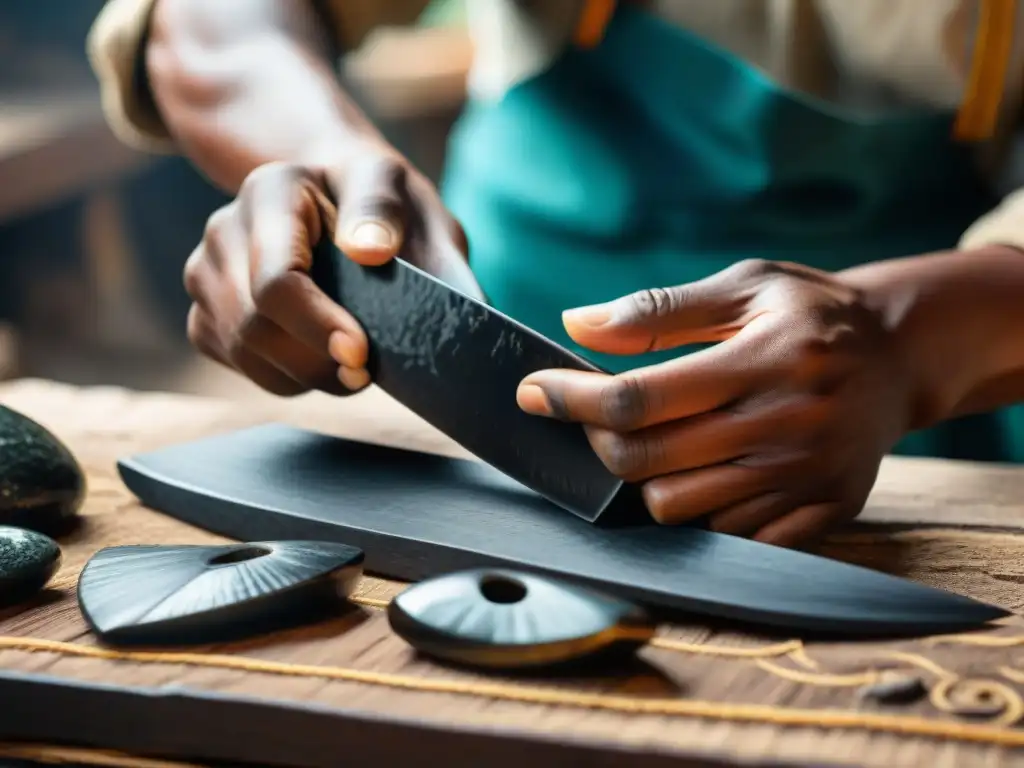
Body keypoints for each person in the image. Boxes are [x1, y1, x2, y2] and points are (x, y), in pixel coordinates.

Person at [87, 0, 1024, 549]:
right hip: (487, 358)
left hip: (928, 380)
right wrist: (322, 167)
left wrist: (907, 339)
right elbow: (212, 18)